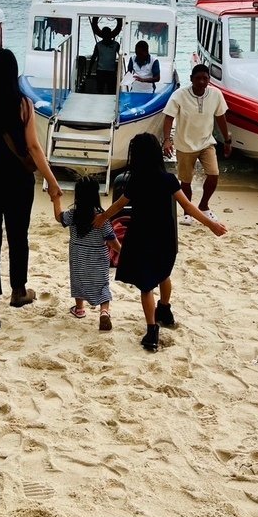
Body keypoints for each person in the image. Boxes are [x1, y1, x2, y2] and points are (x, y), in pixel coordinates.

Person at [94, 133, 226, 352]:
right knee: (163, 274)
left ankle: (152, 329)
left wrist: (102, 217)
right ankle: (164, 308)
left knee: (146, 287)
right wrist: (210, 224)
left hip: (141, 237)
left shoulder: (135, 181)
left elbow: (118, 206)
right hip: (165, 237)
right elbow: (189, 207)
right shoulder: (168, 180)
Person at [0, 48, 62, 330]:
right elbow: (33, 147)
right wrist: (52, 182)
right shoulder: (24, 104)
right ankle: (19, 291)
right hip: (17, 180)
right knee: (19, 235)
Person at [162, 63, 231, 225]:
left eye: (205, 78)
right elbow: (168, 117)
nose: (201, 82)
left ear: (209, 80)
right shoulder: (179, 95)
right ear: (191, 79)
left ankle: (204, 206)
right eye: (198, 78)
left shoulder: (216, 95)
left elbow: (221, 117)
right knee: (186, 181)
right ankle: (187, 213)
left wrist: (227, 140)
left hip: (207, 142)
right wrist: (167, 140)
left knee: (214, 174)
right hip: (185, 144)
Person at [55, 176, 119, 331]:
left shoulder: (73, 215)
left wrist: (55, 199)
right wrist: (123, 252)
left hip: (78, 257)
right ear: (96, 195)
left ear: (77, 195)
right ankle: (104, 312)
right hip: (98, 258)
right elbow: (112, 241)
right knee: (103, 285)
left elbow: (59, 217)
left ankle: (79, 309)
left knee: (78, 281)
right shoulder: (100, 218)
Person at [89, 17, 123, 94]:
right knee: (100, 89)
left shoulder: (116, 45)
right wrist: (89, 71)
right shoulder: (98, 45)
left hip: (111, 71)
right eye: (104, 34)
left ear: (110, 35)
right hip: (100, 71)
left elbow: (121, 57)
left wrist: (121, 71)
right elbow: (94, 57)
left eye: (108, 34)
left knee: (111, 90)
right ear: (102, 35)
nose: (106, 36)